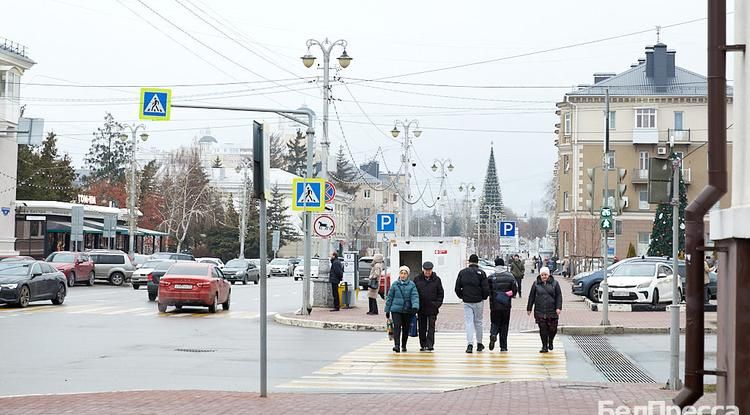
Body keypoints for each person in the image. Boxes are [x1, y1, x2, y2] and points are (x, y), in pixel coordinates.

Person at [455, 254, 490, 354]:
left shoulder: (462, 272)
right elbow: (485, 288)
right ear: (477, 262)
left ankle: (470, 344)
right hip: (478, 301)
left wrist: (462, 296)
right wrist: (483, 297)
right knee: (478, 322)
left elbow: (457, 288)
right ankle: (479, 344)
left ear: (469, 261)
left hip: (467, 301)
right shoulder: (482, 273)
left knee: (469, 322)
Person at [527, 267, 563, 353]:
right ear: (540, 275)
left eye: (545, 275)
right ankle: (544, 346)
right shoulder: (536, 284)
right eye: (542, 275)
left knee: (552, 329)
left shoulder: (555, 283)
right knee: (543, 329)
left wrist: (558, 307)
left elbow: (559, 296)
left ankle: (550, 341)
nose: (544, 276)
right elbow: (531, 296)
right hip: (540, 311)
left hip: (552, 311)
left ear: (549, 274)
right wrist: (529, 308)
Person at [385, 266, 420, 353]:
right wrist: (387, 310)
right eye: (401, 273)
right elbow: (389, 297)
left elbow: (414, 296)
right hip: (396, 309)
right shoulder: (395, 284)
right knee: (397, 326)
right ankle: (396, 345)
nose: (403, 275)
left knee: (406, 328)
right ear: (399, 274)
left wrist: (415, 306)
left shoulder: (412, 285)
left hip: (407, 310)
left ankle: (403, 345)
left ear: (407, 275)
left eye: (405, 273)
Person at [488, 258, 518, 352]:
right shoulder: (510, 276)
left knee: (495, 322)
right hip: (505, 305)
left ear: (495, 265)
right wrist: (506, 295)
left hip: (494, 305)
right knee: (504, 324)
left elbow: (487, 291)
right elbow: (514, 291)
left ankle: (493, 334)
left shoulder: (491, 277)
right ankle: (503, 346)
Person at [414, 261, 444, 352]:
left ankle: (430, 344)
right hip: (421, 308)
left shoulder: (437, 279)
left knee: (431, 327)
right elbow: (414, 293)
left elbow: (441, 294)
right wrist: (416, 305)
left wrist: (437, 304)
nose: (427, 272)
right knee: (422, 327)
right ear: (423, 270)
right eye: (426, 270)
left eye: (429, 270)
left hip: (432, 308)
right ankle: (423, 344)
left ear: (432, 270)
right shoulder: (417, 279)